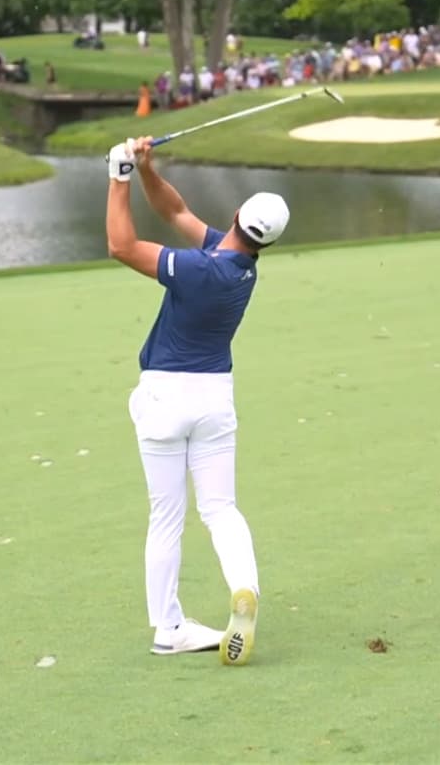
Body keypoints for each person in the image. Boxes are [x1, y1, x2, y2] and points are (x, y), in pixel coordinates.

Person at [102, 135, 290, 665]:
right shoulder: (241, 266)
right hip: (214, 402)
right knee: (220, 508)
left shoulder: (202, 267)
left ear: (235, 215)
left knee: (166, 516)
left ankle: (169, 628)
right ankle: (244, 589)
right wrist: (145, 170)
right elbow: (175, 209)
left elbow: (122, 245)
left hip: (166, 398)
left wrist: (116, 176)